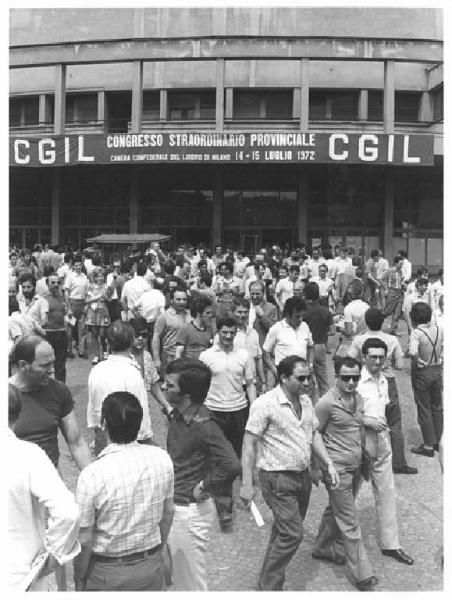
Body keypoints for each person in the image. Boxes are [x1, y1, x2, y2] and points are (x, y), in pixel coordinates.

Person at [240, 355, 340, 591]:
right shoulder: (265, 404)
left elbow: (313, 433)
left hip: (302, 476)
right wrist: (247, 483)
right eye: (301, 378)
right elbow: (248, 443)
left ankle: (267, 580)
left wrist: (324, 464)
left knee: (283, 531)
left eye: (309, 377)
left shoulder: (305, 401)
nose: (307, 383)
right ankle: (270, 587)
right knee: (293, 534)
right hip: (276, 478)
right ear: (283, 377)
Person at [74, 391, 174, 591]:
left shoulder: (92, 475)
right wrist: (158, 550)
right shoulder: (162, 459)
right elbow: (168, 513)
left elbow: (84, 540)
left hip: (106, 574)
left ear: (103, 424)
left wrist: (79, 579)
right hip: (150, 567)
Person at [165, 358, 241, 590]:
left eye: (170, 385)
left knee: (190, 586)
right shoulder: (180, 415)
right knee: (177, 581)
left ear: (187, 393)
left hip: (188, 513)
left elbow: (232, 464)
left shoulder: (204, 424)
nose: (164, 388)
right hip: (177, 508)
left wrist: (206, 486)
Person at [312, 357, 378, 591]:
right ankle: (363, 574)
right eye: (345, 377)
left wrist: (365, 460)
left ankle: (321, 547)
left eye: (355, 377)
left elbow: (359, 429)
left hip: (356, 467)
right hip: (337, 470)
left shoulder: (358, 398)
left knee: (337, 509)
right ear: (336, 376)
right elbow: (313, 434)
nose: (351, 382)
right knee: (349, 520)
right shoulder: (326, 403)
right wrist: (317, 466)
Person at [8, 384, 81, 591]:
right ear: (18, 415)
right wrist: (53, 557)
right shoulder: (29, 455)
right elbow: (68, 513)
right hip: (23, 580)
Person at [358, 338, 414, 566]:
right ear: (364, 357)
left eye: (382, 357)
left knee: (386, 492)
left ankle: (391, 544)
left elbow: (386, 408)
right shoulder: (354, 381)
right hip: (360, 440)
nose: (378, 361)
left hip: (381, 440)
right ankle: (329, 540)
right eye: (373, 356)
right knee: (347, 494)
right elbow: (341, 413)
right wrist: (367, 421)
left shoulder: (383, 380)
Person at [199, 316, 256, 532]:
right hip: (213, 412)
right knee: (216, 459)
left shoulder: (244, 356)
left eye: (232, 332)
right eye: (225, 332)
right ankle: (223, 507)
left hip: (238, 411)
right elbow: (200, 385)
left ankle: (242, 489)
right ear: (218, 332)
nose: (228, 336)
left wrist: (254, 409)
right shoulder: (206, 356)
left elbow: (250, 385)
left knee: (238, 458)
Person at [349, 308, 416, 475]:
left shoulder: (359, 339)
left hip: (365, 381)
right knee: (394, 422)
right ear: (383, 322)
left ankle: (362, 460)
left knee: (362, 417)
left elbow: (350, 360)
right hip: (387, 380)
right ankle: (398, 462)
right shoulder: (392, 339)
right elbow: (400, 365)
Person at [9, 336, 91, 470]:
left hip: (50, 479)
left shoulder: (59, 391)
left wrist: (92, 481)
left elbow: (76, 443)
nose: (52, 370)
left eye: (52, 363)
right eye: (44, 365)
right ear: (23, 365)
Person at [87, 320, 153, 456]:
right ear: (131, 342)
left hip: (102, 434)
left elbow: (93, 408)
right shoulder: (133, 373)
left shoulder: (97, 370)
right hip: (127, 441)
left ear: (108, 343)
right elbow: (142, 414)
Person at [407, 302, 443, 457]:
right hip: (436, 369)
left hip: (422, 371)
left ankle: (428, 445)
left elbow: (413, 351)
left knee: (424, 408)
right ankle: (439, 441)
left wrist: (417, 360)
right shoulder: (438, 329)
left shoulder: (416, 332)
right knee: (437, 406)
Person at [263, 296, 314, 393]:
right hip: (284, 377)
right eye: (297, 316)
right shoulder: (277, 328)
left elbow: (311, 346)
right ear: (287, 315)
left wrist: (310, 365)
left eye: (302, 316)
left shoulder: (305, 326)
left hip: (302, 376)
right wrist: (275, 371)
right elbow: (266, 352)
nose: (300, 319)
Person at [129, 317, 172, 416]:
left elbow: (154, 386)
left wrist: (168, 407)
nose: (140, 338)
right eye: (136, 335)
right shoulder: (123, 359)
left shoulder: (147, 356)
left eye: (144, 335)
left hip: (142, 408)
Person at [303, 282, 335, 398]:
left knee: (307, 383)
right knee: (323, 382)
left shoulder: (302, 312)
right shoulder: (325, 311)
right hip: (321, 346)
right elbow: (333, 331)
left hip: (306, 349)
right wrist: (322, 332)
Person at [152, 286, 191, 379]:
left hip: (188, 357)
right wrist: (156, 359)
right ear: (172, 300)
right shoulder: (164, 316)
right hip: (170, 357)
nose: (182, 302)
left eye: (184, 299)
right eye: (178, 299)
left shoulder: (191, 315)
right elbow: (156, 336)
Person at [232, 297, 266, 393]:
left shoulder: (253, 333)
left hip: (252, 384)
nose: (242, 315)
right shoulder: (228, 334)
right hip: (234, 384)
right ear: (233, 312)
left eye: (245, 312)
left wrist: (263, 382)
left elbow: (258, 358)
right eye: (239, 312)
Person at [44, 273, 69, 382]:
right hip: (48, 334)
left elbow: (65, 313)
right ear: (47, 283)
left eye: (58, 283)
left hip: (61, 333)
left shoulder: (62, 297)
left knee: (60, 364)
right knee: (45, 364)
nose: (56, 285)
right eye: (53, 282)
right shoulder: (43, 299)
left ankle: (60, 388)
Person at [64, 254, 89, 358]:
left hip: (82, 303)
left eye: (80, 265)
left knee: (82, 329)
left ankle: (81, 351)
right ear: (73, 266)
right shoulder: (70, 277)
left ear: (82, 265)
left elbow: (87, 293)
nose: (78, 267)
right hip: (72, 303)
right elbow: (66, 293)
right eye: (76, 265)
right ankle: (69, 350)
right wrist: (68, 308)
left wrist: (86, 306)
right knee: (69, 330)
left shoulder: (85, 277)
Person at [85, 267, 111, 364]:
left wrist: (106, 298)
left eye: (102, 276)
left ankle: (105, 352)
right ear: (95, 278)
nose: (100, 278)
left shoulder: (106, 287)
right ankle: (96, 355)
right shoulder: (90, 287)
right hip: (93, 312)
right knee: (94, 334)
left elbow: (110, 300)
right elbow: (87, 300)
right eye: (98, 276)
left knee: (103, 334)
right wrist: (96, 298)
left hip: (103, 311)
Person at [383, 256, 405, 335]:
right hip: (392, 291)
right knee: (388, 311)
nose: (401, 265)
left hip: (399, 292)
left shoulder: (401, 271)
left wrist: (403, 285)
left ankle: (393, 331)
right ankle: (377, 321)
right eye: (400, 263)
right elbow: (381, 278)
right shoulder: (390, 270)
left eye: (402, 264)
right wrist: (386, 289)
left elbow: (400, 282)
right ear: (396, 263)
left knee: (397, 312)